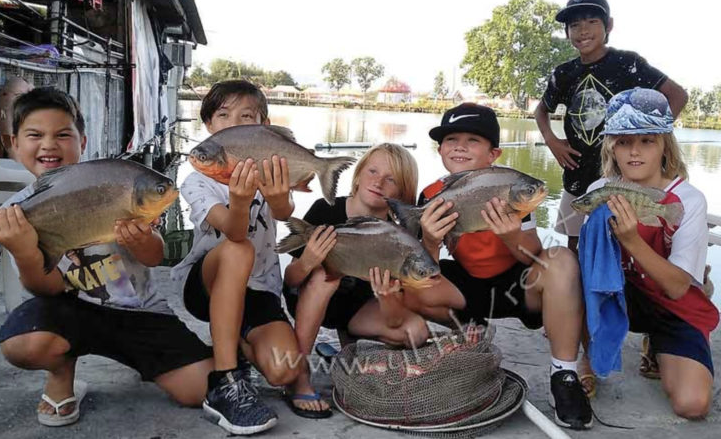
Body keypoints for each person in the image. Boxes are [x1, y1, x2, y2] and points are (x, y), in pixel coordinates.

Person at [0, 87, 214, 428]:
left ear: (82, 142)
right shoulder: (16, 213)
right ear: (13, 144)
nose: (49, 145)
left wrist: (140, 241)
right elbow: (46, 288)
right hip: (68, 311)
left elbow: (155, 256)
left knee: (200, 389)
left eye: (63, 135)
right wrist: (24, 252)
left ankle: (143, 359)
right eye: (35, 135)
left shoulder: (118, 181)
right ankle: (61, 372)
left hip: (138, 311)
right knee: (24, 343)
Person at [414, 103, 592, 430]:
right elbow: (425, 268)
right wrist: (428, 239)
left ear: (493, 153)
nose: (460, 147)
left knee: (564, 259)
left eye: (473, 140)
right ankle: (468, 331)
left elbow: (532, 257)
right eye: (451, 139)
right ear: (439, 149)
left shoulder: (511, 186)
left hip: (514, 287)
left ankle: (563, 374)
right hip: (465, 285)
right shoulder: (430, 194)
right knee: (406, 281)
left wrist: (511, 236)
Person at [170, 80, 300, 435]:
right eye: (223, 115)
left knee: (284, 370)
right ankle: (225, 379)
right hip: (207, 284)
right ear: (209, 125)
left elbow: (285, 210)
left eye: (246, 115)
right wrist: (240, 201)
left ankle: (240, 342)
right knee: (238, 248)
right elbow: (233, 232)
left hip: (259, 288)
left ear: (263, 126)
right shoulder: (198, 180)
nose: (233, 122)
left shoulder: (269, 164)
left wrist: (275, 194)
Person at [588, 88, 717, 419]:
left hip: (671, 304)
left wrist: (632, 241)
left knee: (692, 405)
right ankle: (577, 360)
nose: (634, 151)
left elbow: (676, 288)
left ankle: (658, 344)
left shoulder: (688, 200)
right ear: (611, 146)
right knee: (569, 278)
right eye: (623, 141)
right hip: (621, 293)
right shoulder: (598, 192)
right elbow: (588, 265)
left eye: (647, 140)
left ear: (665, 146)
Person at [282, 143, 428, 418]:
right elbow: (290, 279)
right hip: (309, 298)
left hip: (359, 309)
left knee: (416, 332)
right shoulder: (325, 210)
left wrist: (389, 298)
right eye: (372, 171)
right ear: (358, 175)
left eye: (391, 179)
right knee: (325, 278)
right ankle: (298, 377)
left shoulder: (401, 235)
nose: (378, 181)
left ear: (403, 191)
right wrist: (309, 260)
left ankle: (350, 347)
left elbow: (398, 312)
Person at [534, 0, 687, 254]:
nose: (583, 30)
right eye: (574, 25)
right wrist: (551, 140)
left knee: (624, 244)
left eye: (592, 21)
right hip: (578, 177)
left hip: (624, 178)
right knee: (575, 245)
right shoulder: (563, 74)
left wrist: (651, 139)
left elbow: (678, 95)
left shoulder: (628, 64)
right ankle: (574, 292)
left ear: (609, 26)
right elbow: (540, 111)